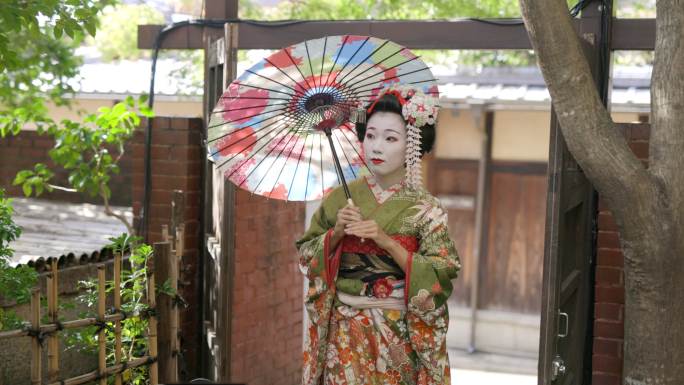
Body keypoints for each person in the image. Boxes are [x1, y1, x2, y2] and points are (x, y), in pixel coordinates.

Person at [296, 85, 461, 385]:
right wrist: (335, 235)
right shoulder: (338, 199)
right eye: (370, 136)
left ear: (413, 144)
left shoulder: (425, 208)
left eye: (390, 138)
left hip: (397, 333)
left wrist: (386, 242)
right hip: (344, 334)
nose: (376, 147)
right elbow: (306, 257)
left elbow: (442, 272)